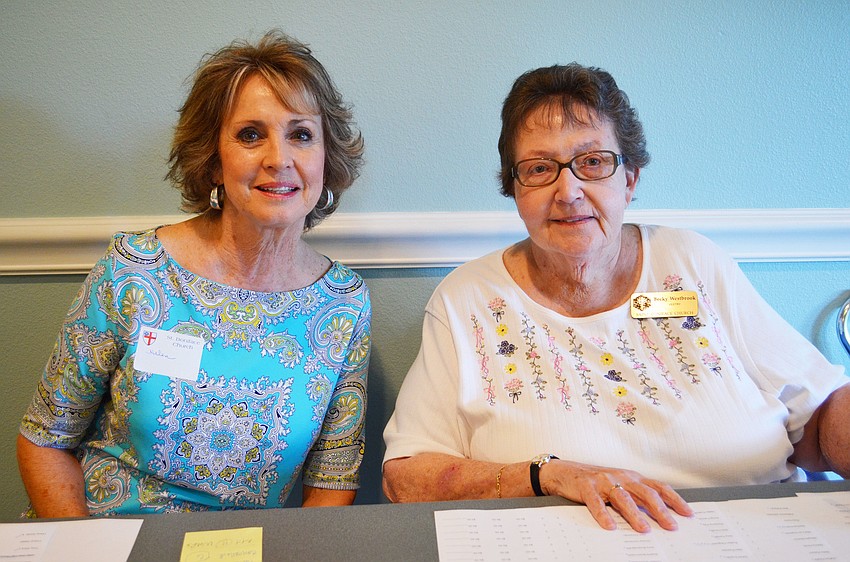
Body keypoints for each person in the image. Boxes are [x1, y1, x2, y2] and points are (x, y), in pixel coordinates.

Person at [382, 63, 850, 533]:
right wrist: (547, 475)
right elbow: (407, 477)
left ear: (629, 179)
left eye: (593, 162)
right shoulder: (467, 301)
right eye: (540, 169)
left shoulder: (694, 262)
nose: (569, 192)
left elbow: (818, 414)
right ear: (514, 190)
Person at [17, 30, 371, 516]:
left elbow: (334, 481)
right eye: (251, 135)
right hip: (101, 538)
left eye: (301, 134)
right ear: (213, 159)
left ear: (326, 158)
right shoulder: (134, 272)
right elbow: (44, 441)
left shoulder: (343, 304)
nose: (278, 159)